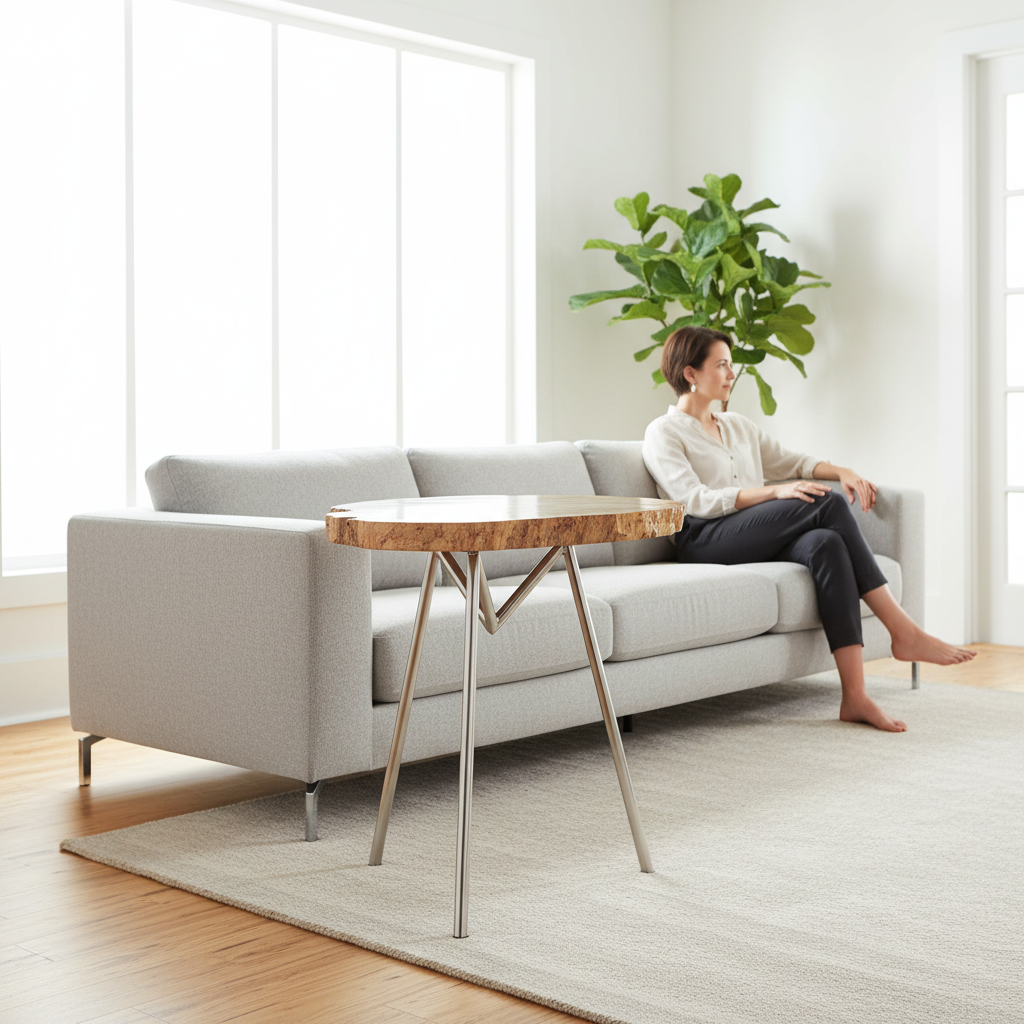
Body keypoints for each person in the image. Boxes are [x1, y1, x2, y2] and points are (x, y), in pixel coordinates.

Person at [642, 326, 975, 732]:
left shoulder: (737, 426)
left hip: (749, 533)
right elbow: (694, 500)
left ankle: (855, 696)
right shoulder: (664, 432)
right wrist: (774, 493)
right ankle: (902, 630)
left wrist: (843, 471)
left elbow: (794, 462)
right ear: (690, 374)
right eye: (722, 365)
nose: (731, 373)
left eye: (731, 364)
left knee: (827, 543)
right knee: (827, 501)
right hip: (703, 538)